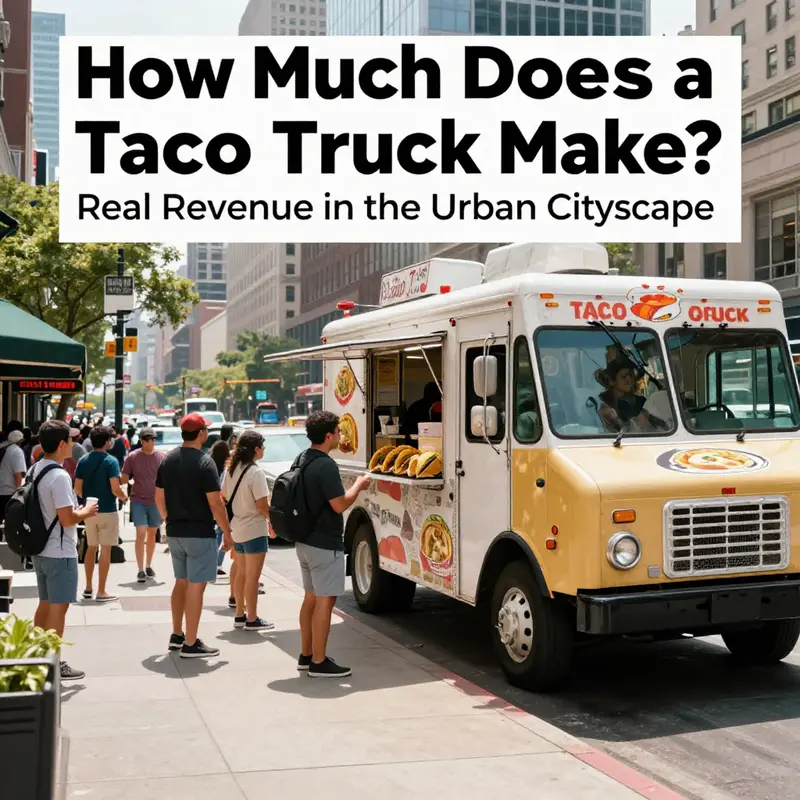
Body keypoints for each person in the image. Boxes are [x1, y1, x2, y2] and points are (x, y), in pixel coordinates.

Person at [294, 411, 371, 678]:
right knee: (325, 603)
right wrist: (359, 486)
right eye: (338, 432)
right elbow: (339, 505)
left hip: (303, 540)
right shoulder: (326, 465)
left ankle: (306, 655)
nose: (340, 436)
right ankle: (319, 661)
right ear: (328, 436)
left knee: (310, 599)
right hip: (324, 543)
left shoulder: (302, 458)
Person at [154, 413, 233, 658]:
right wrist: (227, 533)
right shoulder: (205, 462)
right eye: (205, 430)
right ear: (200, 434)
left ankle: (177, 635)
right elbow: (215, 502)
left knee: (181, 582)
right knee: (196, 588)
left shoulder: (167, 459)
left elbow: (158, 497)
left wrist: (168, 519)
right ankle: (191, 642)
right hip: (199, 532)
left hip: (176, 531)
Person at [30, 420, 98, 681]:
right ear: (61, 444)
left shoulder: (35, 469)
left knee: (45, 605)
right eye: (69, 440)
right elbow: (67, 518)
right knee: (59, 609)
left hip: (40, 549)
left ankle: (35, 657)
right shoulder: (58, 476)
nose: (73, 444)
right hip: (59, 551)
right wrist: (87, 512)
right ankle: (54, 665)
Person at [222, 430, 274, 632]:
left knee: (242, 574)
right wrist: (273, 522)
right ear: (256, 449)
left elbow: (223, 497)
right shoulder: (256, 472)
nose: (264, 449)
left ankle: (239, 615)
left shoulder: (231, 470)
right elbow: (262, 505)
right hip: (254, 529)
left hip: (237, 528)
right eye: (262, 445)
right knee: (253, 578)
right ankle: (252, 618)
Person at [74, 426, 128, 603]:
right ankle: (102, 590)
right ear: (107, 442)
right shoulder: (111, 461)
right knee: (105, 549)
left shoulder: (83, 460)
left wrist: (88, 500)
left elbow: (77, 489)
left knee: (91, 548)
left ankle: (88, 587)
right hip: (108, 510)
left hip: (89, 510)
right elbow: (115, 488)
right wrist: (124, 496)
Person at [121, 428, 166, 583]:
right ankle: (140, 569)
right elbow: (124, 477)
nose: (151, 442)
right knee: (140, 533)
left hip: (155, 501)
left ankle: (148, 564)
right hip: (138, 499)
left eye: (153, 439)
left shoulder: (161, 457)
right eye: (147, 439)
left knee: (152, 534)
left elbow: (167, 480)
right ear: (141, 441)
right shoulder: (132, 457)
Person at [597, 360, 646, 432]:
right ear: (612, 381)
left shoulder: (642, 402)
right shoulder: (601, 403)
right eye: (624, 377)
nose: (629, 379)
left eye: (631, 375)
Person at [209, 439, 231, 581]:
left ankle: (214, 562)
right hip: (222, 504)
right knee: (223, 533)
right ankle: (216, 563)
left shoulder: (209, 465)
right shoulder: (225, 469)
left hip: (211, 504)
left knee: (218, 533)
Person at [0, 428, 26, 519]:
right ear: (20, 441)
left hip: (1, 488)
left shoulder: (2, 447)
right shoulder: (17, 451)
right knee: (10, 520)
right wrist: (19, 490)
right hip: (9, 492)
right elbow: (18, 473)